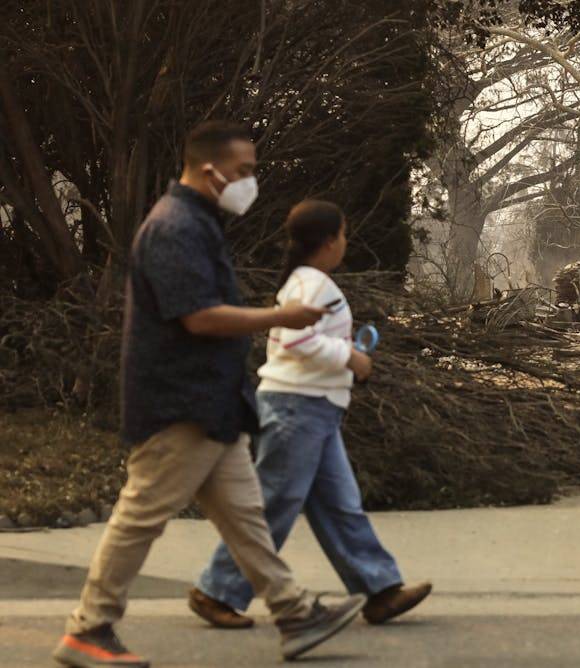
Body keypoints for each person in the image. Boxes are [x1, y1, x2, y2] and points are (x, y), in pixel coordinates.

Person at [53, 122, 366, 668]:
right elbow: (199, 318)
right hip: (181, 403)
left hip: (212, 403)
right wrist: (283, 316)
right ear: (208, 169)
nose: (250, 182)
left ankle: (294, 613)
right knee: (141, 515)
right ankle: (89, 629)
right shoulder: (174, 228)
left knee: (246, 517)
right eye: (243, 172)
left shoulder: (198, 224)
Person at [187, 200, 431, 630]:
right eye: (344, 234)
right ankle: (216, 591)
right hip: (296, 407)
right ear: (328, 242)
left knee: (340, 506)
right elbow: (290, 339)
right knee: (275, 504)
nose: (346, 243)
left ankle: (379, 590)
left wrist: (343, 353)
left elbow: (301, 338)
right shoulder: (313, 285)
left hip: (312, 408)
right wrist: (351, 358)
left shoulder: (309, 282)